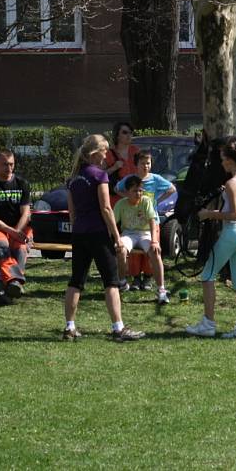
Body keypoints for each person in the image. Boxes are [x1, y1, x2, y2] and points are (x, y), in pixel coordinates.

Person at [63, 134, 144, 342]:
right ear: (94, 152)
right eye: (105, 150)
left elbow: (72, 213)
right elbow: (106, 208)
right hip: (98, 235)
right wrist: (117, 237)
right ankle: (118, 329)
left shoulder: (74, 178)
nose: (107, 154)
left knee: (76, 281)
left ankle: (69, 327)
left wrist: (78, 230)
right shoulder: (99, 175)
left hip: (79, 235)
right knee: (111, 282)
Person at [186, 138, 236, 339]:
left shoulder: (231, 183)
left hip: (232, 232)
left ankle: (208, 324)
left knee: (207, 276)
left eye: (224, 159)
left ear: (232, 161)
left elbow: (233, 214)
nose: (222, 162)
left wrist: (209, 214)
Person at [116, 149, 177, 290]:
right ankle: (136, 278)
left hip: (151, 220)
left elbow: (172, 189)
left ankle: (148, 278)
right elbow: (117, 188)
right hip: (132, 223)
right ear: (136, 164)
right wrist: (127, 198)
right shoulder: (130, 179)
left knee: (152, 250)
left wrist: (156, 200)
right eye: (142, 163)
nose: (146, 166)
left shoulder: (155, 179)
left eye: (148, 163)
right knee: (135, 254)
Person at [0, 150, 33, 305]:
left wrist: (17, 232)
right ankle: (14, 283)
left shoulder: (22, 184)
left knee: (20, 248)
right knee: (3, 245)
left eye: (11, 164)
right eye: (5, 164)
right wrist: (12, 232)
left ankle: (9, 288)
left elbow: (26, 213)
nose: (9, 168)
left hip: (21, 227)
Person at [113, 175, 169, 305]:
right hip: (128, 233)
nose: (138, 193)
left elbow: (152, 221)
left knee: (155, 251)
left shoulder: (146, 201)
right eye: (134, 191)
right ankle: (122, 282)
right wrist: (117, 239)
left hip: (145, 233)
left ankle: (161, 289)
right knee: (120, 249)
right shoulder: (121, 204)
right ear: (127, 192)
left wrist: (155, 241)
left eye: (140, 190)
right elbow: (113, 223)